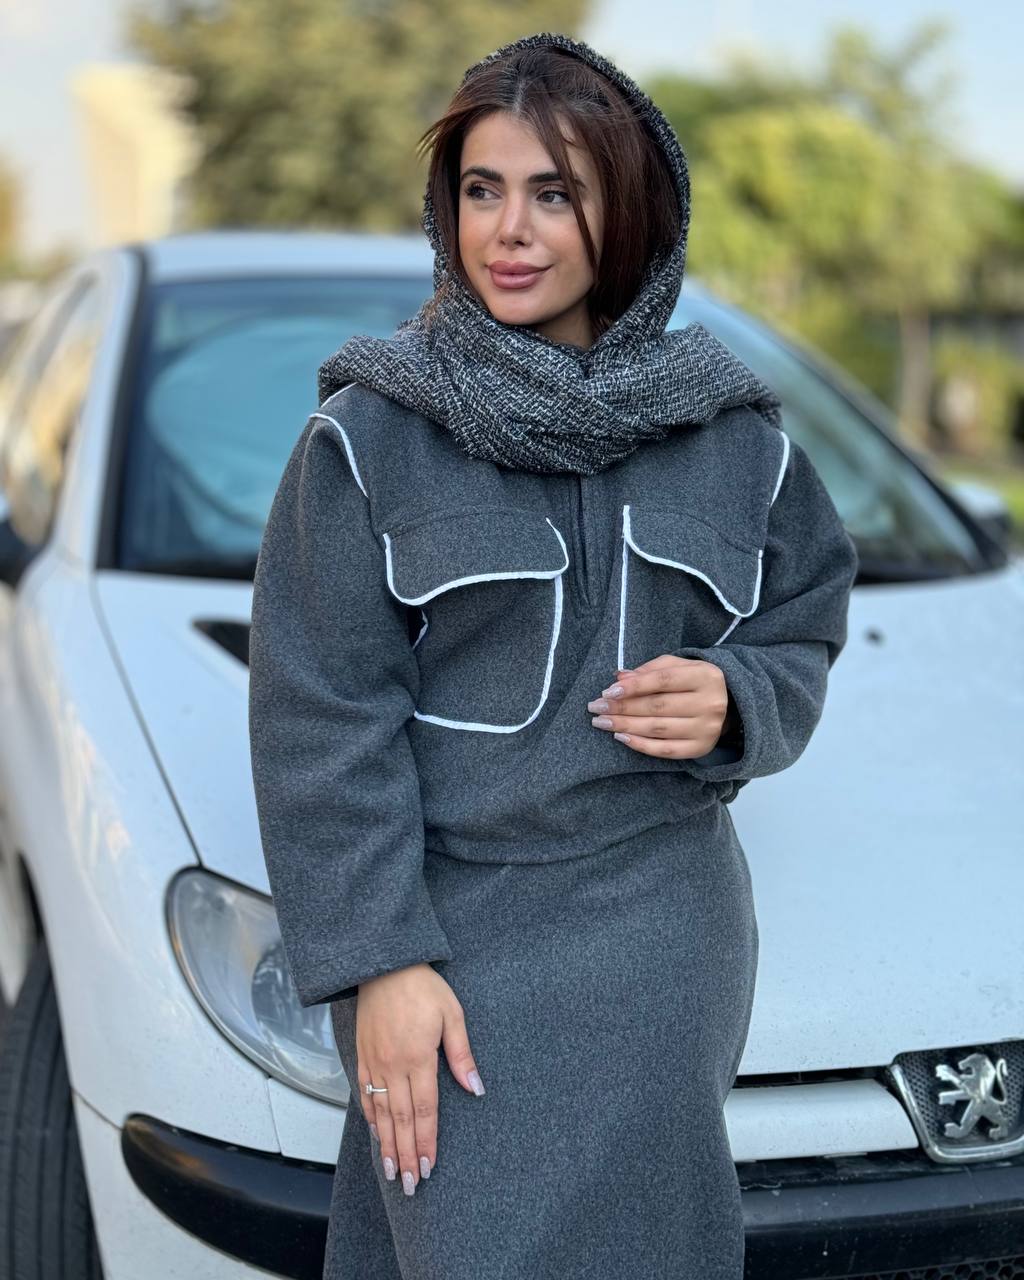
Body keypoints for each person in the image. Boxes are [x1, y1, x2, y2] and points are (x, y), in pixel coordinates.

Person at [248, 30, 858, 1280]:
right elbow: (320, 715)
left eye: (553, 193)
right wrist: (380, 961)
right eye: (482, 190)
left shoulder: (730, 432)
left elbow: (805, 611)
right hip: (453, 943)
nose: (508, 232)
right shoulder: (368, 436)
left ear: (624, 214)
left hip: (663, 940)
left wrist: (740, 695)